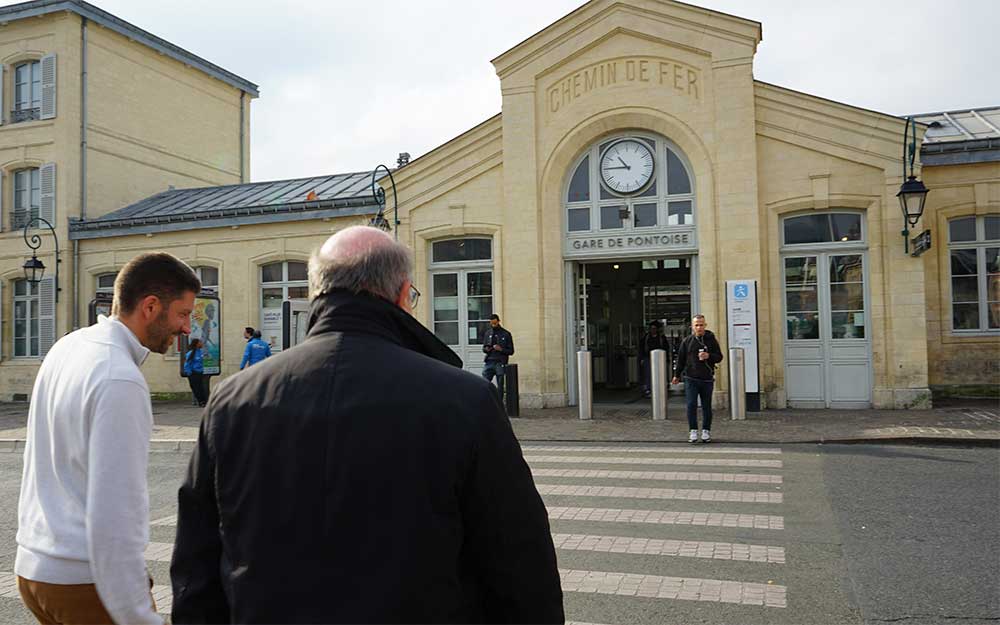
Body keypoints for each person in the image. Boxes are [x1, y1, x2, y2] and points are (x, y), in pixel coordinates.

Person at [170, 226, 563, 624]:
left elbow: (196, 566)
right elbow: (518, 560)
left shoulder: (232, 400)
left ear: (316, 291)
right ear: (402, 293)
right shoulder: (464, 399)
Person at [16, 252, 200, 625]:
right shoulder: (120, 378)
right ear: (151, 307)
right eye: (183, 314)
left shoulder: (69, 347)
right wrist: (137, 615)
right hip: (84, 581)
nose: (186, 328)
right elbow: (117, 513)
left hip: (36, 570)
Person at [671, 314, 724, 443]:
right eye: (697, 325)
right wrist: (676, 375)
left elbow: (719, 357)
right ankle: (693, 430)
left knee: (706, 406)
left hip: (706, 378)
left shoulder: (711, 340)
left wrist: (708, 356)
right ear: (692, 327)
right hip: (691, 378)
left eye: (701, 325)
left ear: (705, 325)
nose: (699, 327)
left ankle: (706, 430)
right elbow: (681, 360)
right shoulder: (687, 341)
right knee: (691, 405)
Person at [481, 313, 514, 401]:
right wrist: (486, 349)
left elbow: (511, 351)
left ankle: (499, 403)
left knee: (500, 385)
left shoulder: (506, 334)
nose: (493, 325)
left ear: (499, 321)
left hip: (500, 362)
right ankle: (486, 401)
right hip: (489, 361)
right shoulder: (488, 333)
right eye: (492, 323)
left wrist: (501, 349)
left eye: (495, 323)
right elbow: (483, 348)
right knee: (484, 383)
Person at [639, 320, 669, 398]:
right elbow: (641, 348)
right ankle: (648, 390)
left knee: (660, 374)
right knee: (648, 374)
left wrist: (666, 359)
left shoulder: (661, 338)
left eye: (654, 328)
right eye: (651, 328)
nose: (653, 330)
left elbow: (666, 348)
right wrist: (642, 358)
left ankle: (660, 389)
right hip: (647, 358)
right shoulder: (646, 338)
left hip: (660, 359)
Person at [184, 338, 208, 407]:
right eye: (200, 342)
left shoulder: (200, 352)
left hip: (200, 373)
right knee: (196, 388)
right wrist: (189, 373)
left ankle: (203, 401)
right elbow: (187, 364)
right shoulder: (190, 353)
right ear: (196, 344)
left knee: (201, 388)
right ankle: (201, 401)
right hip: (193, 373)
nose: (201, 343)